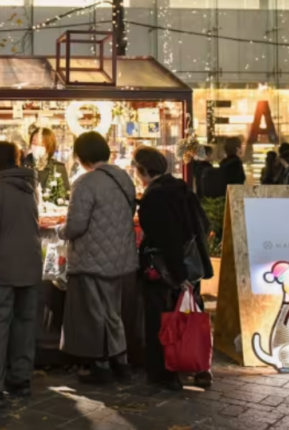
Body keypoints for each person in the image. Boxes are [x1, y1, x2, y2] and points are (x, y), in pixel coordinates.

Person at [57, 132, 137, 384]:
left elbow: (76, 226)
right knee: (113, 312)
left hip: (91, 258)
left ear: (81, 157)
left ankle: (100, 366)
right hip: (120, 257)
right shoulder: (124, 178)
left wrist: (60, 230)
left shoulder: (85, 183)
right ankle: (121, 362)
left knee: (95, 313)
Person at [135, 146, 213, 391]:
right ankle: (200, 367)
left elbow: (165, 238)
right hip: (191, 264)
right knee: (191, 315)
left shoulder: (154, 197)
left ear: (143, 171)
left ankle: (166, 372)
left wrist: (177, 275)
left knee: (164, 320)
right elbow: (203, 223)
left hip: (166, 270)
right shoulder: (181, 189)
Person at [0, 142, 42, 407]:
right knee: (25, 325)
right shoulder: (29, 188)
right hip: (31, 267)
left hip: (2, 271)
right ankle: (21, 380)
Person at [23, 127, 70, 198]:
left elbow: (66, 195)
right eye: (34, 143)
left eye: (42, 144)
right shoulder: (21, 166)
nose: (37, 147)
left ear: (50, 146)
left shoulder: (58, 168)